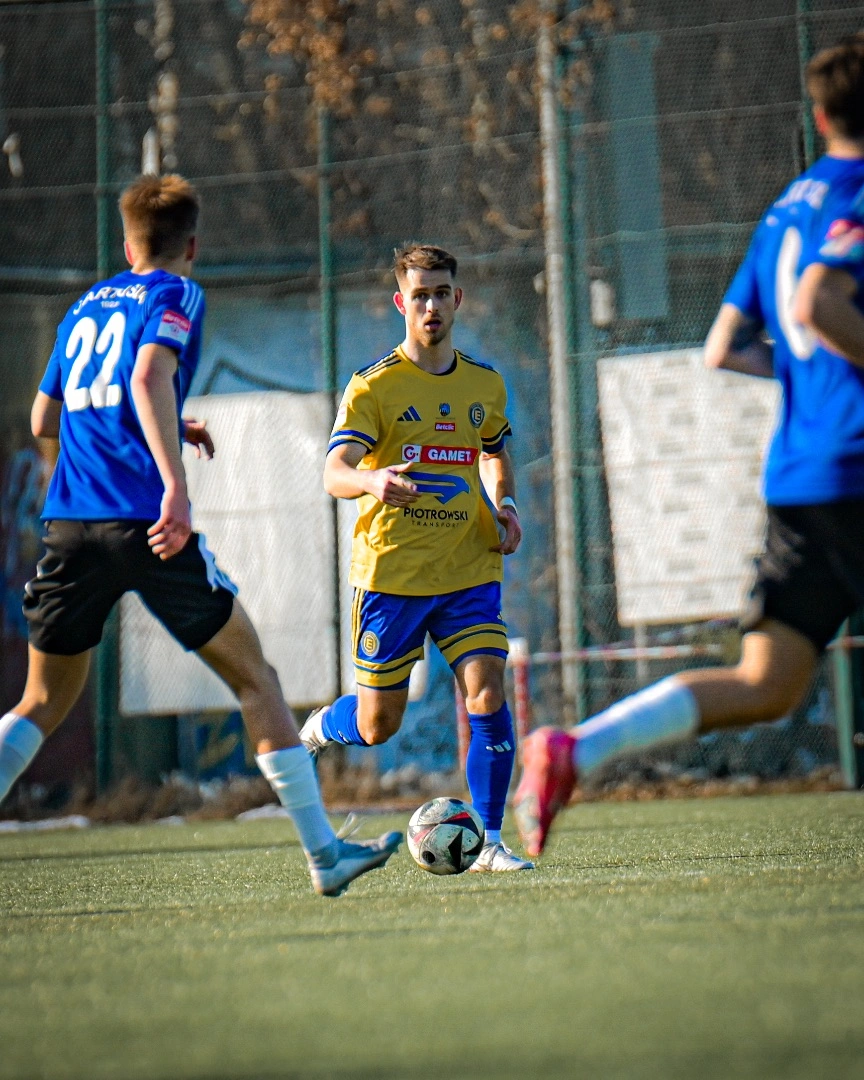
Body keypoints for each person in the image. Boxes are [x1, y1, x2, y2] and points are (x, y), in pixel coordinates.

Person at [0, 174, 401, 896]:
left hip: (70, 527)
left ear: (127, 245)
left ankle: (328, 854)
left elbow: (44, 419)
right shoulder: (177, 293)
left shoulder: (85, 305)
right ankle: (325, 855)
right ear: (192, 245)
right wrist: (174, 485)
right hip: (148, 525)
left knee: (38, 704)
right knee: (256, 679)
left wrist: (153, 424)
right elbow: (147, 376)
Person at [514, 34, 864, 857]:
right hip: (856, 465)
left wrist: (810, 380)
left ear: (820, 117)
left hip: (801, 476)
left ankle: (575, 749)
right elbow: (818, 302)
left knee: (767, 683)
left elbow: (725, 348)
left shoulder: (786, 209)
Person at [299, 244, 533, 871]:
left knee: (486, 690)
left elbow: (493, 452)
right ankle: (323, 725)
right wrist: (372, 481)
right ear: (400, 303)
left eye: (441, 293)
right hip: (393, 575)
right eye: (420, 295)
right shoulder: (374, 386)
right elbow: (334, 472)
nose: (431, 305)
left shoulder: (484, 384)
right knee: (379, 725)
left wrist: (506, 506)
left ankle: (489, 842)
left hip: (468, 568)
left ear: (458, 300)